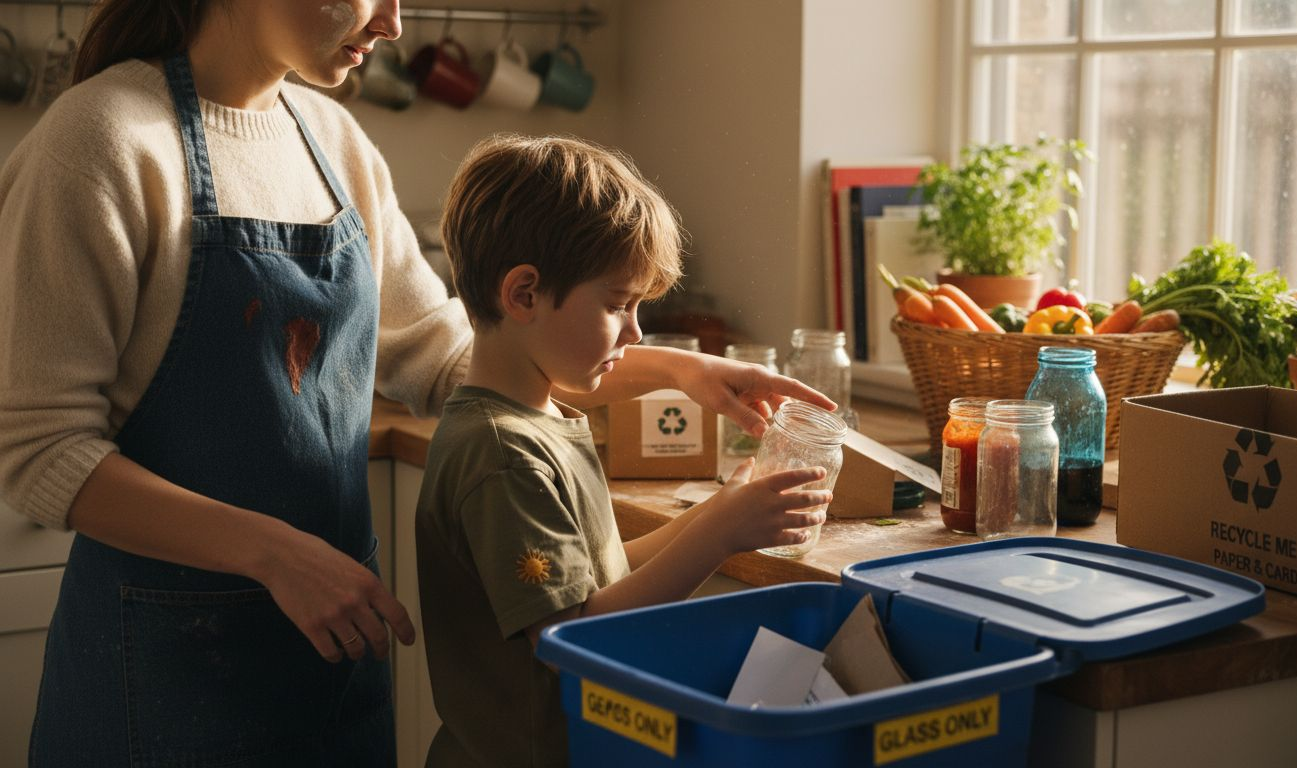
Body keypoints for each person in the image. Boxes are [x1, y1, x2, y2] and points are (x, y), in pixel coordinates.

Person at [0, 2, 832, 765]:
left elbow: (453, 356)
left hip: (334, 655)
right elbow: (40, 450)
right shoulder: (101, 140)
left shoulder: (333, 142)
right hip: (165, 668)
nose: (395, 22)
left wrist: (684, 372)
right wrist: (275, 555)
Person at [415, 135, 834, 767]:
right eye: (618, 304)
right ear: (523, 294)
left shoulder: (541, 417)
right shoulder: (504, 455)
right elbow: (572, 632)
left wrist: (721, 511)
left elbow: (596, 576)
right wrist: (718, 535)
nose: (636, 332)